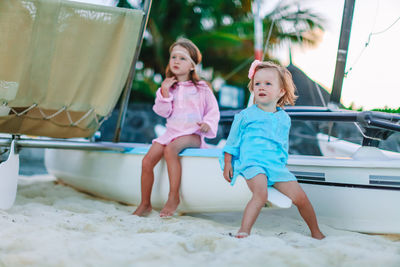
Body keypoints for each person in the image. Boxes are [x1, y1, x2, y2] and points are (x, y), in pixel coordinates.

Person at [220, 60, 325, 239]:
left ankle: (316, 232)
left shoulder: (284, 118)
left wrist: (282, 165)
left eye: (268, 84)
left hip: (276, 167)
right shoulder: (245, 116)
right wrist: (229, 161)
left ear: (281, 91)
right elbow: (232, 141)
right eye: (257, 83)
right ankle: (244, 230)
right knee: (261, 194)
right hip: (253, 164)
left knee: (301, 198)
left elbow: (282, 144)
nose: (261, 87)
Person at [133, 38, 220, 218]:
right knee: (147, 161)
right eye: (173, 57)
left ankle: (173, 197)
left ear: (192, 65)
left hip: (192, 133)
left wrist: (208, 124)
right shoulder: (167, 88)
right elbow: (163, 112)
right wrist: (164, 92)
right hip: (171, 133)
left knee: (171, 150)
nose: (176, 61)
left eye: (182, 58)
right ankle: (145, 203)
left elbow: (213, 110)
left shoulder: (202, 88)